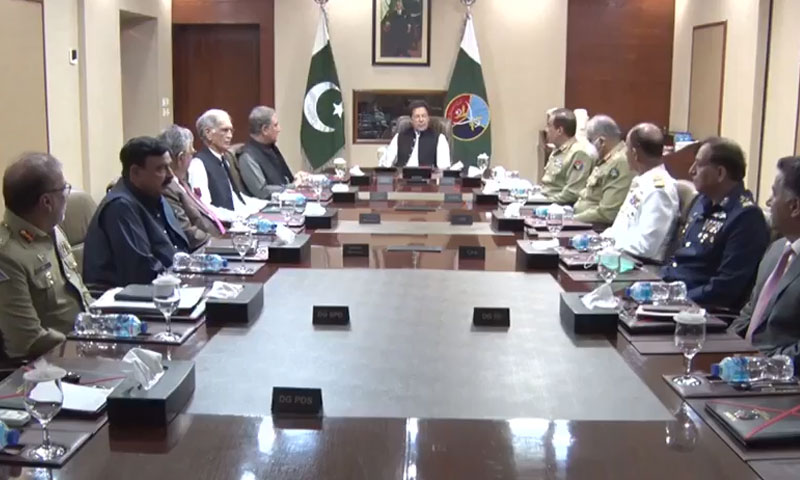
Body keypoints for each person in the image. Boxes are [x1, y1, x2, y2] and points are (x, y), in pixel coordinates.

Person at [0, 153, 92, 358]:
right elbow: (27, 340)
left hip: (83, 340)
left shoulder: (52, 229)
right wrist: (85, 346)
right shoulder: (7, 255)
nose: (68, 194)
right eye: (64, 188)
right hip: (49, 361)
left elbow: (80, 293)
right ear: (47, 202)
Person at [662, 138, 769, 311]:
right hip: (671, 293)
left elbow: (724, 288)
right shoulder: (701, 201)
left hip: (699, 310)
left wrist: (672, 300)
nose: (691, 171)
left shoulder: (745, 217)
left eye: (698, 165)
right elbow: (680, 259)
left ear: (720, 173)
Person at [83, 137, 189, 287]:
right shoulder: (120, 207)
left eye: (169, 167)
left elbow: (180, 246)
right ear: (135, 172)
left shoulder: (155, 195)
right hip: (129, 295)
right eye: (161, 169)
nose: (170, 175)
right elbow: (143, 272)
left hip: (170, 284)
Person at [731, 156, 800, 358]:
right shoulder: (776, 249)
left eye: (774, 194)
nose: (768, 202)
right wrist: (723, 346)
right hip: (740, 363)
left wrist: (763, 362)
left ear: (795, 207)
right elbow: (750, 311)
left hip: (778, 372)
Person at [602, 123, 679, 263]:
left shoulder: (658, 190)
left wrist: (612, 243)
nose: (625, 153)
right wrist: (600, 240)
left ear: (635, 154)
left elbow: (646, 246)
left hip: (640, 265)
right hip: (621, 256)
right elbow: (620, 227)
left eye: (626, 149)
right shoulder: (643, 181)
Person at [187, 109, 266, 221]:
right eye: (224, 130)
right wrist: (236, 216)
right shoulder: (198, 165)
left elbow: (235, 198)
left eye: (231, 130)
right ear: (208, 133)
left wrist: (267, 204)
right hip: (221, 226)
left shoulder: (224, 160)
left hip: (237, 220)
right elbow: (204, 208)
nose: (230, 135)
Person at [158, 125, 225, 250]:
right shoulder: (167, 188)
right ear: (181, 158)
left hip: (218, 236)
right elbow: (187, 232)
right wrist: (219, 243)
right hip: (205, 248)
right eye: (191, 152)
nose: (194, 154)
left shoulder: (182, 180)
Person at [573, 115, 634, 225]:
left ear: (601, 141)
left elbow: (607, 213)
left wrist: (572, 220)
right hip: (583, 220)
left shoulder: (620, 162)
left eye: (590, 141)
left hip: (596, 227)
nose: (588, 146)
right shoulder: (605, 159)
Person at [238, 106, 297, 199]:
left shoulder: (271, 147)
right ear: (265, 129)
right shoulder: (247, 157)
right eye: (275, 125)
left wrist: (298, 179)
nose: (279, 129)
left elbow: (285, 179)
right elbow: (262, 191)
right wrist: (293, 186)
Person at [540, 108, 596, 205]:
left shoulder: (579, 153)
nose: (546, 130)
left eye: (549, 126)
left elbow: (572, 193)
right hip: (546, 199)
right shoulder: (558, 149)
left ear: (559, 130)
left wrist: (543, 203)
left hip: (559, 206)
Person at [378, 100, 451, 169]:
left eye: (424, 116)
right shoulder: (399, 137)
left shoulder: (440, 138)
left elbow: (443, 168)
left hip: (427, 177)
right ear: (411, 120)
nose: (421, 120)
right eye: (417, 116)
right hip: (402, 177)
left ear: (428, 118)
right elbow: (386, 164)